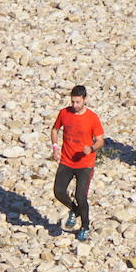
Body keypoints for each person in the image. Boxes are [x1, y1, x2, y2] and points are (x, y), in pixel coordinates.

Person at [50, 85, 105, 242]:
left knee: (81, 196)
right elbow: (55, 130)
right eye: (73, 102)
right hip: (66, 160)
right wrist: (55, 147)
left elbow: (101, 140)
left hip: (85, 163)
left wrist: (92, 148)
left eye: (78, 102)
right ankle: (74, 211)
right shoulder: (64, 113)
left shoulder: (92, 118)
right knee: (58, 191)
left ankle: (85, 226)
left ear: (84, 100)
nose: (74, 105)